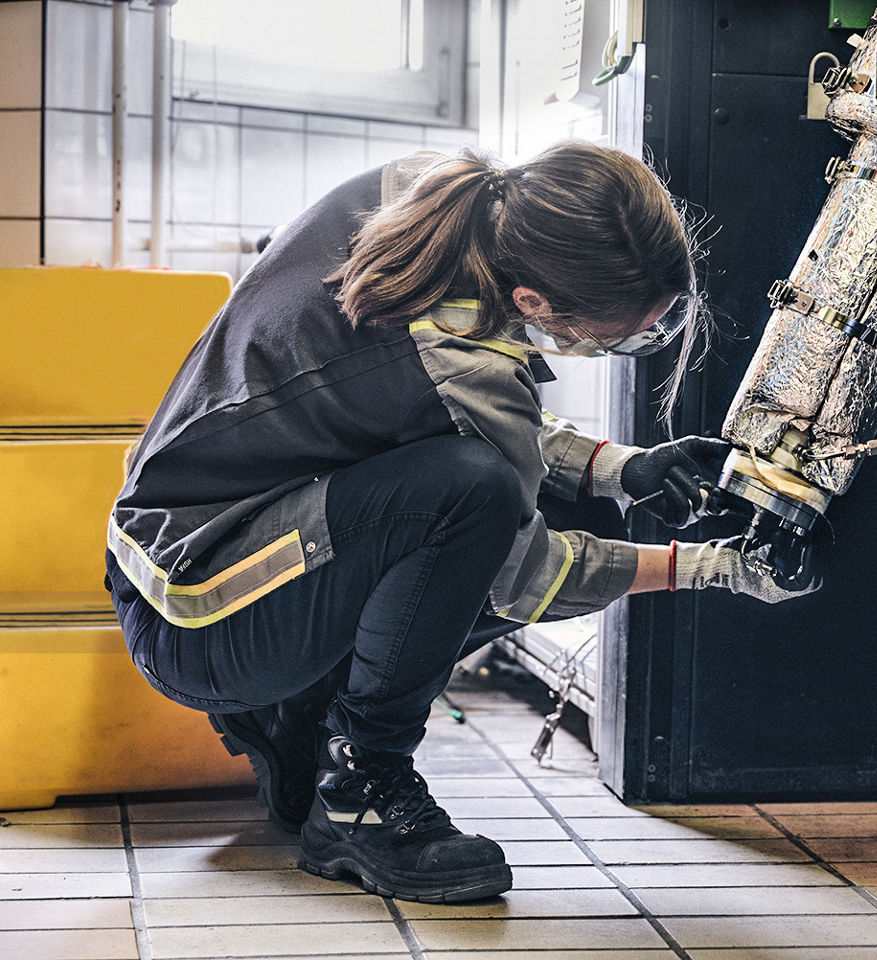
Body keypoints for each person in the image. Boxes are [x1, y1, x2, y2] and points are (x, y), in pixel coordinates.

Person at [104, 141, 816, 904]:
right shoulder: (454, 348)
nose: (613, 348)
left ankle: (302, 725)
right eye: (610, 338)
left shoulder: (438, 196)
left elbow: (441, 408)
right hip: (198, 617)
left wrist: (621, 470)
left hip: (196, 555)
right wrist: (706, 566)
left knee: (516, 488)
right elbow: (523, 572)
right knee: (475, 494)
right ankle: (359, 791)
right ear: (535, 303)